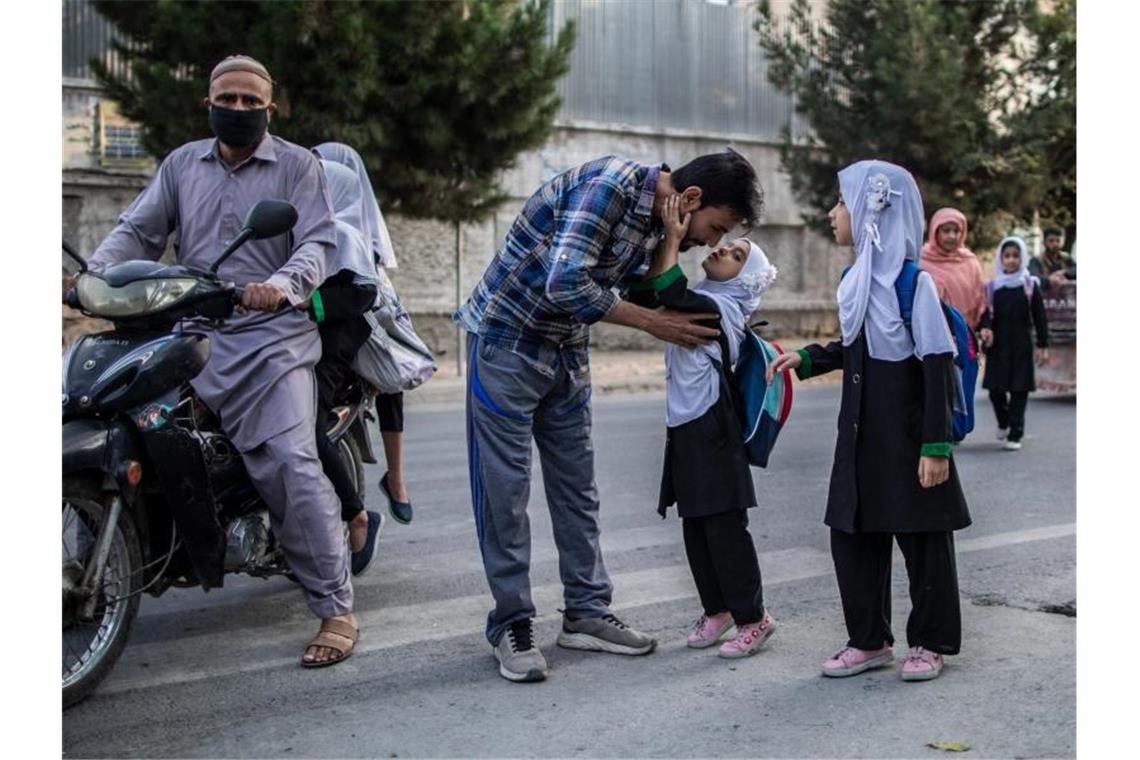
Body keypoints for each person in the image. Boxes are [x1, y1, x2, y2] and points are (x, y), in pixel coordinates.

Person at [74, 55, 358, 668]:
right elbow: (137, 231)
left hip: (271, 338)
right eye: (225, 99)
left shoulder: (297, 166)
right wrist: (90, 280)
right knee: (122, 423)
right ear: (208, 103)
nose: (236, 109)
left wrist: (282, 284)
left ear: (269, 109)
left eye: (248, 102)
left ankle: (336, 606)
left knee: (287, 459)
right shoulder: (182, 164)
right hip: (194, 332)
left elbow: (318, 240)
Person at [454, 149, 763, 682]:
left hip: (566, 349)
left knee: (578, 490)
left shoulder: (661, 220)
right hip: (507, 343)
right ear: (690, 198)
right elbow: (565, 282)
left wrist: (670, 243)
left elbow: (635, 287)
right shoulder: (611, 185)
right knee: (504, 492)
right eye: (715, 227)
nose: (711, 243)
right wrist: (651, 324)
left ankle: (587, 613)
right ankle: (511, 621)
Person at [767, 160, 971, 683]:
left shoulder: (913, 284)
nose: (835, 212)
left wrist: (936, 448)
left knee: (923, 539)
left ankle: (930, 641)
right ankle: (869, 640)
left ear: (872, 211)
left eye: (842, 202)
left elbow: (936, 364)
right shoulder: (855, 281)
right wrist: (809, 359)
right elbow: (855, 346)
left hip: (907, 436)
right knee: (852, 534)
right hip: (859, 433)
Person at [628, 197, 778, 659]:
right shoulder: (708, 297)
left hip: (715, 430)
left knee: (726, 528)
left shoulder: (725, 311)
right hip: (687, 427)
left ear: (747, 279)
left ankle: (754, 617)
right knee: (695, 524)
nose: (722, 249)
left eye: (736, 254)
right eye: (726, 244)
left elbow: (670, 293)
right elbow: (649, 293)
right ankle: (718, 610)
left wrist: (673, 238)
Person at [313, 142, 415, 527]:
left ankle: (397, 479)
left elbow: (364, 291)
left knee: (391, 383)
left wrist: (311, 305)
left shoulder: (354, 229)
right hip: (315, 332)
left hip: (350, 332)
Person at [307, 158, 385, 575]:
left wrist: (308, 306)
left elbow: (362, 296)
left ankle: (357, 515)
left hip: (330, 348)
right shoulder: (302, 231)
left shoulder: (347, 235)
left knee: (304, 428)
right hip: (286, 342)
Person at [982, 236, 1050, 451]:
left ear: (1022, 258)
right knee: (995, 390)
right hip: (998, 347)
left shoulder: (1029, 285)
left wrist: (1043, 344)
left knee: (1019, 391)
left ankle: (1015, 433)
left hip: (1021, 346)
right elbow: (986, 314)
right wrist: (985, 328)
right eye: (1007, 256)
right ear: (1001, 259)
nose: (1011, 260)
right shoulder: (993, 287)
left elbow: (1040, 317)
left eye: (1015, 256)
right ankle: (1003, 421)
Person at [920, 207, 992, 347]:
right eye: (946, 231)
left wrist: (984, 326)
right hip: (929, 339)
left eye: (956, 231)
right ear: (935, 232)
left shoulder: (970, 263)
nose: (952, 236)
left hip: (963, 338)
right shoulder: (922, 261)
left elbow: (980, 300)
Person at [1028, 225, 1076, 290]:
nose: (1055, 244)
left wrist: (1064, 272)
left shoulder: (1066, 258)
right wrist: (1049, 280)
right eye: (1051, 241)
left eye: (1058, 241)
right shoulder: (1036, 260)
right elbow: (1033, 277)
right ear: (1044, 242)